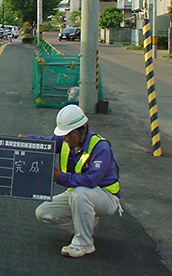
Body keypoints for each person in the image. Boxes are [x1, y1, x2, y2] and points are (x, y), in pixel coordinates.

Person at [21, 104, 121, 258]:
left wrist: (59, 177)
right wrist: (28, 142)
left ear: (82, 130)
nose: (66, 138)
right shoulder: (66, 141)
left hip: (106, 197)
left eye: (69, 134)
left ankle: (84, 243)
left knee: (79, 193)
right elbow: (47, 143)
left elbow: (90, 181)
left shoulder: (101, 148)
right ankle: (85, 225)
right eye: (64, 135)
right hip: (80, 194)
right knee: (44, 213)